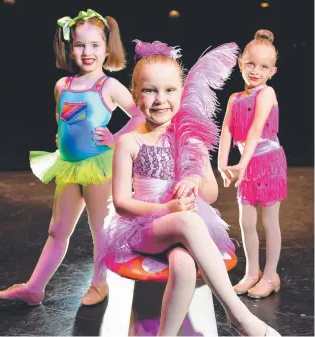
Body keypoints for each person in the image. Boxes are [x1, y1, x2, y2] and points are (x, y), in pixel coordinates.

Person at [100, 39, 281, 336]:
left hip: (185, 228)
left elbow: (210, 193)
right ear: (135, 94)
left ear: (182, 94)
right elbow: (121, 202)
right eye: (150, 90)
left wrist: (195, 180)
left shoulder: (190, 138)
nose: (160, 99)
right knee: (185, 219)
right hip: (146, 229)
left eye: (170, 90)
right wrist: (167, 208)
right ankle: (238, 315)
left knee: (184, 265)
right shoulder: (129, 141)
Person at [0, 9, 144, 306]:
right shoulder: (63, 86)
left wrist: (115, 138)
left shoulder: (108, 86)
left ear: (106, 48)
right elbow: (62, 121)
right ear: (70, 47)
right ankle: (34, 288)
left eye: (95, 45)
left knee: (99, 229)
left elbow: (139, 115)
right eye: (79, 45)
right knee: (57, 230)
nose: (87, 52)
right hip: (69, 167)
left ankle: (100, 284)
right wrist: (60, 137)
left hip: (98, 167)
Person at [217, 29, 287, 298]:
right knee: (246, 221)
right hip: (245, 165)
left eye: (264, 66)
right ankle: (251, 271)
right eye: (250, 64)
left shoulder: (267, 93)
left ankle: (271, 275)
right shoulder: (235, 98)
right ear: (240, 64)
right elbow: (227, 131)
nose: (256, 71)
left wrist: (241, 165)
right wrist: (223, 164)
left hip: (268, 162)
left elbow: (257, 129)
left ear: (273, 71)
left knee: (270, 221)